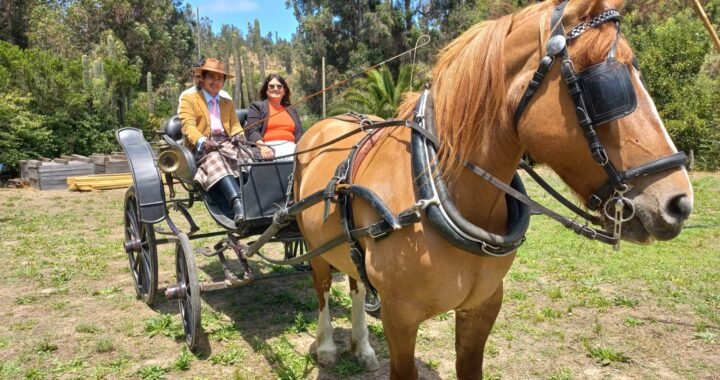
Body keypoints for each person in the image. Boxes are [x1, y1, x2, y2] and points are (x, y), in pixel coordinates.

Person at [178, 58, 250, 225]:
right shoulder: (189, 99)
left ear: (223, 82)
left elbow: (235, 126)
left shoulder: (227, 103)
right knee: (215, 158)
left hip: (226, 143)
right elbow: (188, 127)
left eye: (220, 78)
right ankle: (237, 205)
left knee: (250, 156)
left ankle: (254, 200)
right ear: (202, 78)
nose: (215, 82)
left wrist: (239, 136)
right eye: (211, 77)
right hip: (202, 147)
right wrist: (203, 141)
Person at [245, 74, 304, 160]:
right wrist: (263, 147)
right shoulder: (257, 107)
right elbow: (252, 131)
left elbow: (300, 133)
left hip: (293, 147)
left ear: (284, 91)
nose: (275, 89)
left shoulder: (292, 110)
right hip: (269, 148)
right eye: (271, 86)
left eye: (279, 86)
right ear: (266, 90)